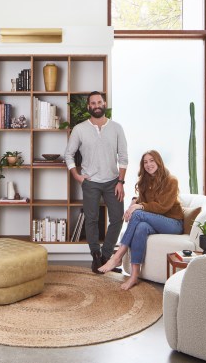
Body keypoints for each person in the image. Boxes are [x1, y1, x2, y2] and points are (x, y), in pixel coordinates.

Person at [98, 150, 184, 290]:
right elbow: (143, 201)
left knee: (138, 214)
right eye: (145, 162)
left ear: (158, 162)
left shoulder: (171, 181)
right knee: (141, 227)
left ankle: (117, 256)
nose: (149, 164)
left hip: (173, 223)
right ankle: (134, 276)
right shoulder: (145, 182)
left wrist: (137, 207)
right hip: (156, 222)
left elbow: (162, 207)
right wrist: (133, 203)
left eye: (152, 160)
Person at [64, 91, 128, 273]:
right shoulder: (80, 129)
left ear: (104, 103)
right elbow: (68, 154)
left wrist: (121, 182)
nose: (97, 105)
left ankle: (106, 256)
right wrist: (77, 176)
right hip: (90, 181)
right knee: (92, 219)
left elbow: (123, 157)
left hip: (113, 182)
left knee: (117, 218)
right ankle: (95, 256)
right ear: (89, 107)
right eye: (93, 103)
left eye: (99, 102)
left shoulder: (116, 128)